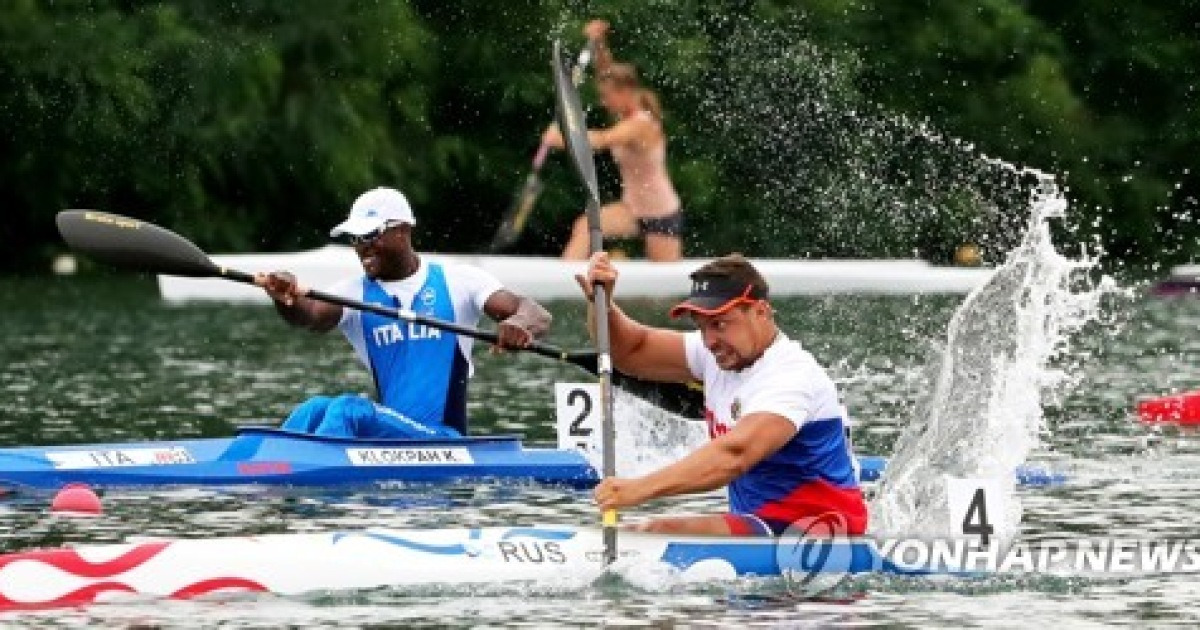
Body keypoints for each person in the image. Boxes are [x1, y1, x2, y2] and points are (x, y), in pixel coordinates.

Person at [578, 251, 868, 536]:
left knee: (659, 530)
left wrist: (637, 489)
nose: (709, 341)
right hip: (764, 521)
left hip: (819, 528)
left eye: (719, 324)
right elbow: (630, 350)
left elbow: (735, 455)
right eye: (701, 326)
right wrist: (601, 304)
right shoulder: (720, 353)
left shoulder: (790, 376)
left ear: (761, 312)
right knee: (655, 530)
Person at [258, 187, 552, 439]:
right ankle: (262, 467)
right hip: (391, 436)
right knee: (315, 408)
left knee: (349, 410)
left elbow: (536, 313)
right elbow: (309, 315)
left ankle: (297, 472)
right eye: (355, 239)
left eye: (370, 235)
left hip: (443, 440)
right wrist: (285, 297)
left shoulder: (459, 282)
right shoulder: (354, 293)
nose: (362, 247)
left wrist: (518, 324)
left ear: (403, 230)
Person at [543, 19, 684, 262]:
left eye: (607, 97)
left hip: (661, 213)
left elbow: (603, 140)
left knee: (661, 291)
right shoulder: (624, 112)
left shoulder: (641, 124)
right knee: (587, 224)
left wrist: (562, 136)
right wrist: (598, 43)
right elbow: (606, 72)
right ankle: (566, 281)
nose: (604, 102)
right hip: (632, 209)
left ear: (625, 93)